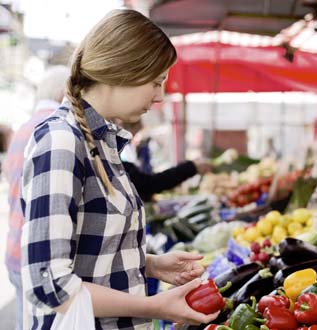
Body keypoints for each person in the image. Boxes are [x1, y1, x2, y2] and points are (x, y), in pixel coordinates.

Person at [20, 9, 219, 330]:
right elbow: (50, 283)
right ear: (122, 70)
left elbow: (88, 251)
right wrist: (154, 306)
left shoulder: (104, 142)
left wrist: (150, 265)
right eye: (156, 82)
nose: (160, 96)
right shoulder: (61, 142)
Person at [3, 65, 70, 330]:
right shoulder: (55, 128)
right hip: (39, 258)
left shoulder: (23, 128)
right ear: (63, 92)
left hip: (16, 249)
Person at [121, 121, 212, 202]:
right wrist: (191, 167)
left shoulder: (120, 158)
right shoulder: (118, 160)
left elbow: (146, 183)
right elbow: (150, 184)